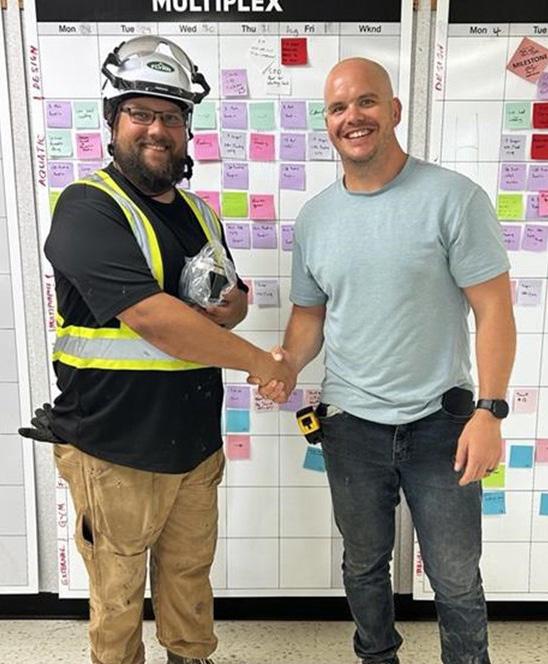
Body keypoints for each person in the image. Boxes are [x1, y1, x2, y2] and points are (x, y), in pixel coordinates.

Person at [20, 36, 293, 664]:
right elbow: (151, 318)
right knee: (117, 597)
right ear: (112, 120)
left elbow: (230, 300)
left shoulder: (200, 213)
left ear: (186, 127)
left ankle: (189, 658)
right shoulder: (87, 207)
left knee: (189, 580)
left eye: (171, 115)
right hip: (114, 446)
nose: (157, 129)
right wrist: (261, 362)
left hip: (193, 442)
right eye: (140, 113)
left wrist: (232, 308)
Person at [257, 58, 516, 664]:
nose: (353, 117)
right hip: (350, 426)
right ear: (327, 122)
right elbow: (309, 316)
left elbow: (495, 311)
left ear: (394, 110)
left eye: (366, 101)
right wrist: (287, 364)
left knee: (455, 577)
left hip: (443, 425)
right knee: (363, 565)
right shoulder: (316, 218)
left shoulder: (454, 198)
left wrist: (490, 411)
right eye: (338, 107)